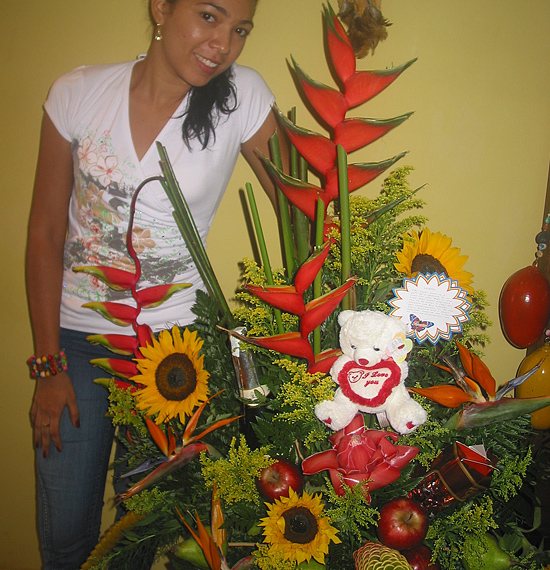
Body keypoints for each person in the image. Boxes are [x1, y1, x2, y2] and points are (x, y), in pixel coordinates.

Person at [25, 0, 284, 567]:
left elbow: (302, 209)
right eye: (209, 17)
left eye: (240, 30)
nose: (224, 44)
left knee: (140, 541)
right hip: (77, 346)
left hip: (177, 356)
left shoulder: (241, 97)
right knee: (66, 536)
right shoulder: (77, 92)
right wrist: (48, 366)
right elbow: (44, 233)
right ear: (160, 7)